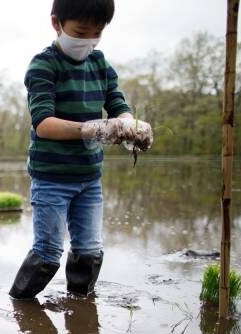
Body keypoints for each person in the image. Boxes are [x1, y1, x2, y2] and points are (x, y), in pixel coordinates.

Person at [9, 0, 153, 299]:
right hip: (51, 178)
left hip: (89, 178)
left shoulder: (99, 64)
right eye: (81, 31)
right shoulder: (43, 65)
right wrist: (93, 128)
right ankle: (19, 305)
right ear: (57, 24)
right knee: (47, 255)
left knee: (89, 253)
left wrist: (131, 125)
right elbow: (43, 123)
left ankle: (80, 312)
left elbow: (117, 103)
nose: (88, 39)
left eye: (97, 32)